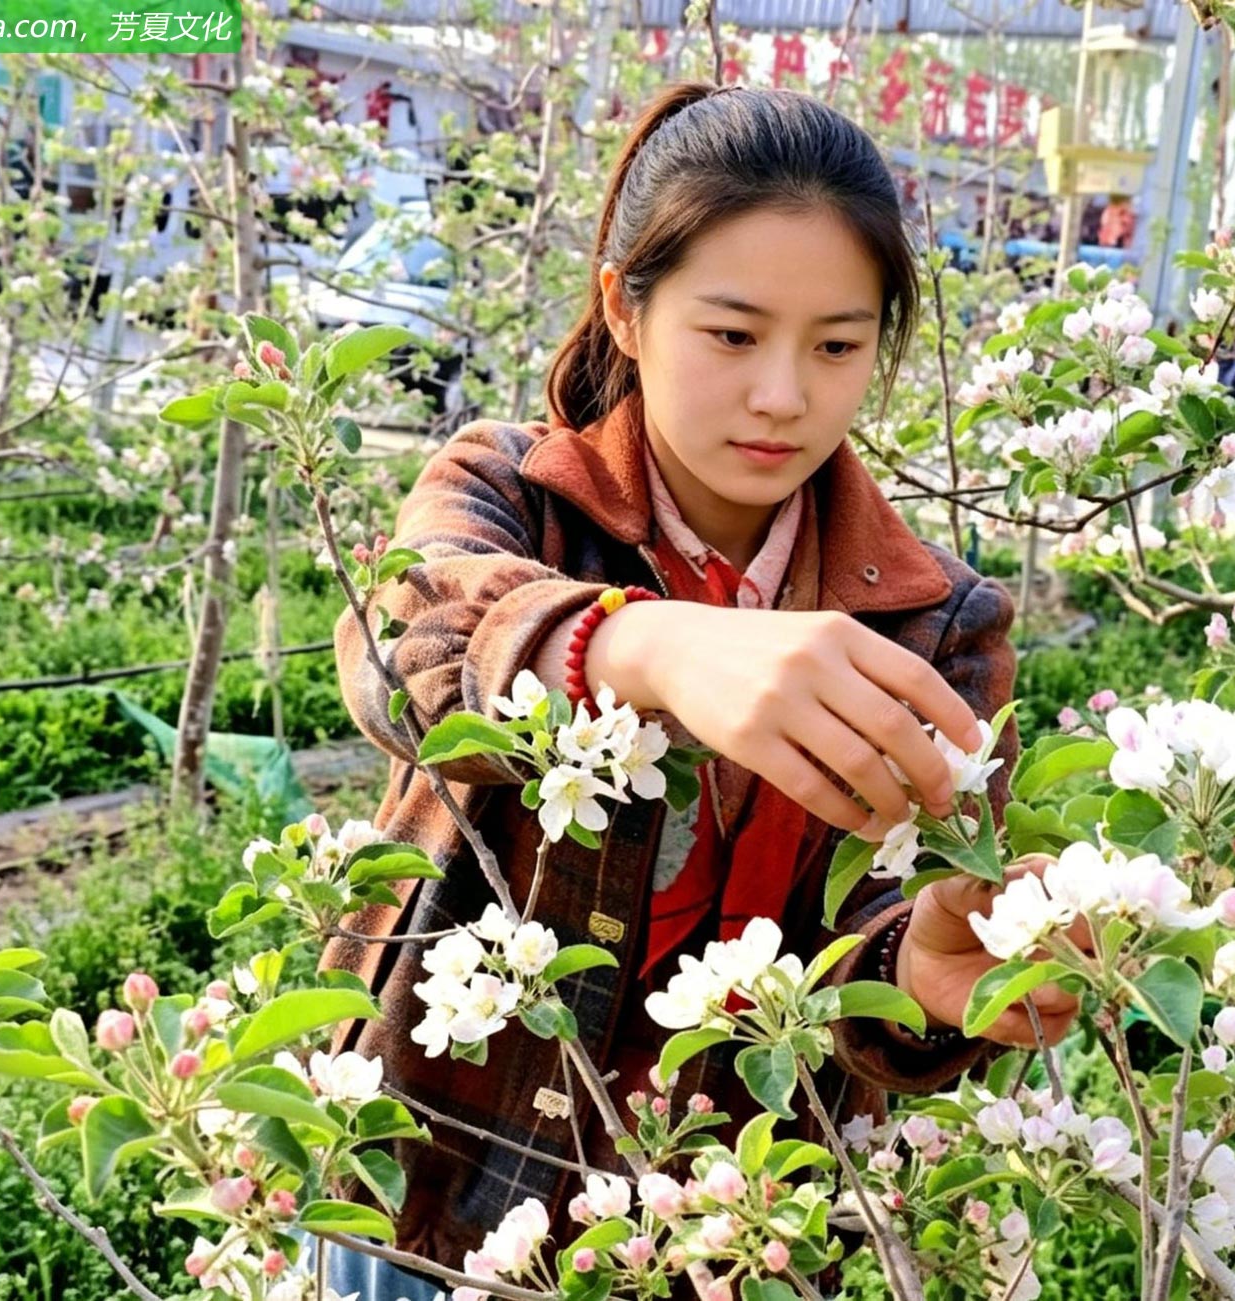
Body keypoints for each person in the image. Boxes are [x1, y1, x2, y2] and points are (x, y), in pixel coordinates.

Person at [312, 82, 1083, 1294]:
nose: (783, 394)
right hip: (440, 1178)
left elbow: (874, 958)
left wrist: (927, 966)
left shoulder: (934, 623)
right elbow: (401, 651)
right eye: (731, 334)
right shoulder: (515, 494)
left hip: (726, 1228)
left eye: (836, 345)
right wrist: (641, 647)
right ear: (625, 306)